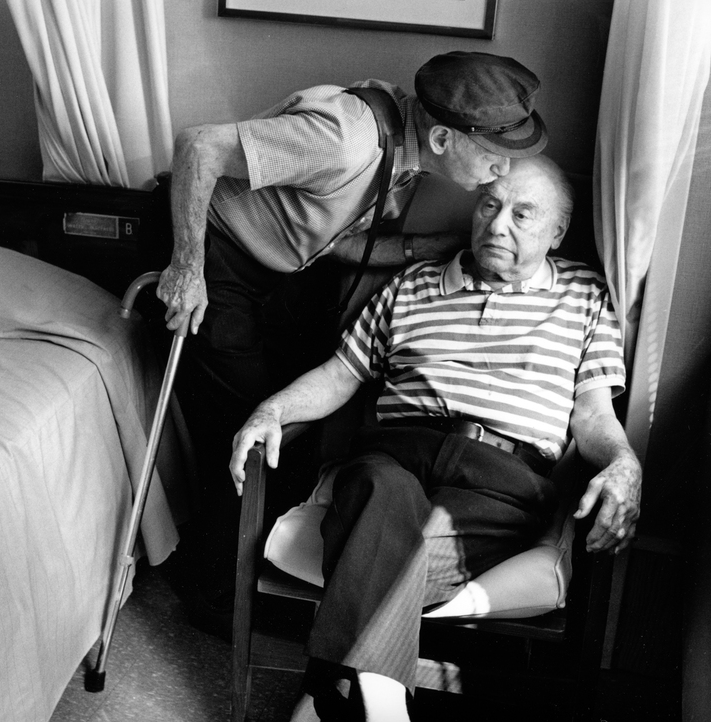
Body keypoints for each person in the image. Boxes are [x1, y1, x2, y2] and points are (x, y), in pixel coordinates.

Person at [229, 155, 642, 721]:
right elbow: (339, 375)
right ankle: (382, 703)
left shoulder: (585, 296)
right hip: (396, 453)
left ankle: (338, 687)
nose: (498, 225)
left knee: (384, 537)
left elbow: (594, 416)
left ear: (558, 231)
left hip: (500, 481)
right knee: (375, 489)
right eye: (490, 205)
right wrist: (271, 409)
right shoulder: (413, 284)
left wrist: (623, 463)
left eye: (523, 214)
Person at [156, 51, 551, 628]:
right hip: (215, 256)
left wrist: (422, 250)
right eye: (493, 157)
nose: (498, 173)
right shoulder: (347, 139)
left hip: (279, 272)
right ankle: (214, 595)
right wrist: (186, 266)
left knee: (308, 425)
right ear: (442, 137)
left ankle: (237, 573)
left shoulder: (408, 158)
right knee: (260, 428)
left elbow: (328, 239)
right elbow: (197, 147)